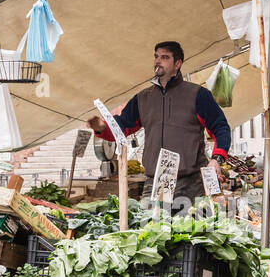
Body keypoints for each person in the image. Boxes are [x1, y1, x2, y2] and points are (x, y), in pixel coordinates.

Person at [87, 41, 230, 204]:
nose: (158, 61)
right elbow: (122, 126)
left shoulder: (197, 95)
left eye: (164, 57)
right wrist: (102, 127)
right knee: (151, 227)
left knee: (188, 228)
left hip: (189, 184)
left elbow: (220, 127)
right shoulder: (143, 98)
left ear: (177, 64)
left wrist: (216, 159)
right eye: (156, 57)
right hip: (154, 181)